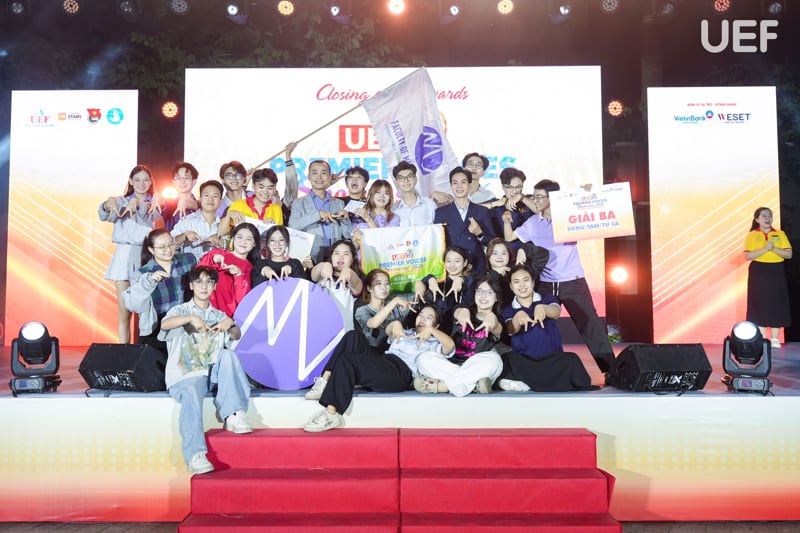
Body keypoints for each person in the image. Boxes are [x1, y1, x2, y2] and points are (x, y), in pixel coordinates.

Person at [507, 179, 616, 375]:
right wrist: (511, 227)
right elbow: (510, 238)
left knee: (590, 325)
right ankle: (540, 368)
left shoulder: (569, 219)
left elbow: (593, 207)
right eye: (534, 196)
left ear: (553, 199)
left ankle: (611, 371)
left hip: (572, 281)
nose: (535, 200)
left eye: (539, 197)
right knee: (539, 323)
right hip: (545, 284)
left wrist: (589, 192)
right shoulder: (533, 223)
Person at [303, 304, 454, 433]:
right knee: (353, 336)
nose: (422, 319)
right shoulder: (406, 332)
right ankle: (324, 381)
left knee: (349, 360)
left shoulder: (434, 343)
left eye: (428, 317)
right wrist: (395, 324)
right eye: (421, 315)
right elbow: (388, 330)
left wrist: (432, 331)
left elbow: (450, 346)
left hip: (400, 372)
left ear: (436, 325)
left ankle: (331, 414)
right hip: (385, 359)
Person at [160, 265, 252, 475]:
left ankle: (234, 414)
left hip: (211, 375)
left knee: (228, 355)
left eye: (209, 282)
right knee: (192, 391)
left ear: (214, 286)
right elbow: (165, 325)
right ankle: (195, 455)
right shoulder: (180, 311)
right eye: (199, 282)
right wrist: (190, 318)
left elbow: (236, 335)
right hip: (186, 374)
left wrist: (231, 324)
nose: (204, 286)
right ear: (191, 286)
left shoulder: (218, 314)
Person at [304, 268, 412, 401]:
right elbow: (373, 323)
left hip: (393, 363)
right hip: (371, 355)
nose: (384, 288)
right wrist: (395, 302)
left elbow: (423, 296)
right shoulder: (363, 310)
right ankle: (324, 381)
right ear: (369, 288)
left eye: (387, 284)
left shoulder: (398, 306)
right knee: (353, 336)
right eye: (378, 284)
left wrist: (422, 284)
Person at [498, 265, 596, 392]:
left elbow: (556, 312)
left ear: (533, 282)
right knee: (507, 359)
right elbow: (511, 329)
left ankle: (529, 382)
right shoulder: (508, 309)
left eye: (526, 280)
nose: (522, 285)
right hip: (525, 363)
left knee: (571, 359)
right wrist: (517, 319)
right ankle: (532, 381)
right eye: (516, 282)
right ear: (511, 286)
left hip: (551, 361)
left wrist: (543, 309)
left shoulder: (547, 298)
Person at [99, 164, 162, 343]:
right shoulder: (121, 201)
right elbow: (106, 214)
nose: (142, 184)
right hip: (123, 256)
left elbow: (151, 211)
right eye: (137, 180)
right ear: (130, 181)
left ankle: (144, 350)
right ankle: (125, 351)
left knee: (145, 308)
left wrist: (138, 203)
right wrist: (108, 203)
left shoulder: (155, 201)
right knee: (124, 311)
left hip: (145, 255)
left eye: (145, 180)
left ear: (151, 182)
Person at [415, 277, 504, 396]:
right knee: (423, 358)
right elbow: (458, 312)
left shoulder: (498, 321)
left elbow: (496, 327)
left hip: (475, 365)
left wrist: (492, 318)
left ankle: (442, 386)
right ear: (474, 293)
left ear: (496, 297)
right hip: (450, 364)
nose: (483, 296)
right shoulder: (463, 310)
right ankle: (474, 385)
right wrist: (463, 311)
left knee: (495, 360)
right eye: (480, 291)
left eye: (489, 292)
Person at [123, 229, 197, 354]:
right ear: (151, 250)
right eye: (162, 247)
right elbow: (133, 305)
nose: (168, 250)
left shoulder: (188, 260)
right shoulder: (142, 274)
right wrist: (149, 282)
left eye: (171, 244)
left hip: (184, 323)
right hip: (156, 327)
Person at [744, 206, 792, 348]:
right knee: (759, 302)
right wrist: (765, 248)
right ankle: (763, 338)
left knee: (776, 302)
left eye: (769, 216)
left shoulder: (780, 234)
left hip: (776, 271)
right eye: (764, 216)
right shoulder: (752, 235)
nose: (767, 218)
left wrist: (773, 248)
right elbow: (748, 255)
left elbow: (788, 254)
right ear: (757, 219)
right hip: (758, 271)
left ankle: (775, 338)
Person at [434, 166, 496, 277]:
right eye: (455, 183)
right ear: (451, 186)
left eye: (463, 182)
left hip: (477, 269)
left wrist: (479, 233)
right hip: (452, 270)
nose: (459, 186)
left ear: (469, 184)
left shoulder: (482, 211)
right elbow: (436, 244)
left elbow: (493, 243)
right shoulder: (440, 213)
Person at [288, 158, 352, 264]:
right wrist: (318, 215)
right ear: (308, 176)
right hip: (309, 258)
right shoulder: (298, 203)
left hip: (334, 257)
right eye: (314, 173)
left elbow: (348, 234)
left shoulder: (338, 203)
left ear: (330, 177)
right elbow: (292, 226)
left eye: (323, 173)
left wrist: (345, 219)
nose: (319, 177)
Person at [198, 222, 260, 318]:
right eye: (239, 237)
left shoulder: (252, 270)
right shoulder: (218, 254)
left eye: (248, 239)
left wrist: (239, 276)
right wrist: (213, 259)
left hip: (228, 319)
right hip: (204, 312)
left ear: (254, 243)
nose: (243, 242)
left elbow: (244, 302)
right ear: (233, 238)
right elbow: (197, 274)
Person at [414, 245, 476, 334]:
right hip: (430, 329)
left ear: (465, 263)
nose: (452, 265)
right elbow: (422, 284)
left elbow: (471, 284)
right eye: (448, 261)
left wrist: (462, 279)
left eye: (457, 261)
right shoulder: (437, 282)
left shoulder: (470, 282)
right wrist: (428, 279)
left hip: (456, 331)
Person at [220, 168, 284, 238]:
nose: (265, 191)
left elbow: (279, 237)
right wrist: (228, 216)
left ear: (275, 188)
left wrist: (272, 228)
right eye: (261, 187)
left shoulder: (276, 209)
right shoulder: (238, 205)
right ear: (253, 186)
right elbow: (220, 233)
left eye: (270, 188)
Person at [171, 180, 224, 262]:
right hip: (190, 267)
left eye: (215, 196)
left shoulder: (223, 224)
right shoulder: (187, 221)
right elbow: (170, 243)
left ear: (220, 202)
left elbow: (231, 247)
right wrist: (184, 236)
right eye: (206, 195)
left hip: (215, 268)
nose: (210, 199)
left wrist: (219, 241)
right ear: (200, 198)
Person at [491, 167, 537, 251]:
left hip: (532, 251)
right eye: (509, 187)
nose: (514, 191)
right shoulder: (497, 206)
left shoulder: (529, 200)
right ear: (502, 186)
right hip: (506, 253)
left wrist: (522, 197)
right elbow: (472, 209)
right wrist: (494, 204)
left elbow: (544, 212)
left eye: (518, 187)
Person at [392, 161, 437, 227]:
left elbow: (438, 229)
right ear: (396, 182)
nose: (406, 181)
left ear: (415, 179)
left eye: (409, 177)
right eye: (401, 178)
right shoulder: (394, 210)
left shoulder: (429, 204)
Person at [162, 162, 200, 232]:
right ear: (173, 182)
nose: (182, 181)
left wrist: (188, 203)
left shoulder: (200, 205)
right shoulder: (168, 204)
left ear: (194, 181)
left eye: (186, 177)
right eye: (178, 178)